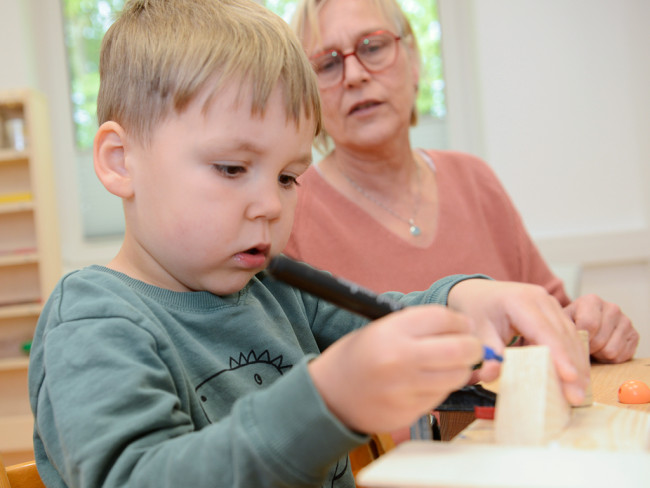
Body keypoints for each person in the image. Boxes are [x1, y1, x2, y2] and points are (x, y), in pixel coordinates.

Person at [28, 0, 588, 487]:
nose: (271, 204)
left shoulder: (273, 288)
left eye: (288, 177)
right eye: (231, 167)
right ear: (120, 163)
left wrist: (462, 298)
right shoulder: (93, 321)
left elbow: (386, 319)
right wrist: (325, 399)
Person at [286, 0, 639, 365]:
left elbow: (559, 321)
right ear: (309, 97)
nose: (355, 75)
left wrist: (593, 329)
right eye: (327, 64)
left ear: (415, 62)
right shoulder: (287, 211)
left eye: (373, 47)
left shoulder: (475, 179)